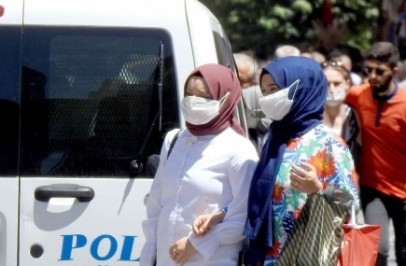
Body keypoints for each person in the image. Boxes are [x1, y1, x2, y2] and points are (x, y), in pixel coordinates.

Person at [193, 57, 358, 266]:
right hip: (267, 255)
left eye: (274, 89)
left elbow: (349, 201)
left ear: (302, 88)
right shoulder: (275, 137)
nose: (268, 97)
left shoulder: (329, 144)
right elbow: (261, 194)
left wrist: (318, 187)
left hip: (307, 254)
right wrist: (222, 214)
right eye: (264, 91)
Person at [140, 64, 259, 266]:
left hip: (213, 260)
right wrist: (149, 256)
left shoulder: (239, 149)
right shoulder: (174, 140)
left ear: (225, 100)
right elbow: (157, 204)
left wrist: (196, 244)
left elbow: (246, 215)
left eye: (204, 97)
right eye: (189, 94)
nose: (194, 102)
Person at [345, 42, 406, 266]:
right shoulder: (357, 95)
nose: (372, 76)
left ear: (395, 71)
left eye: (380, 71)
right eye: (369, 70)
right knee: (379, 250)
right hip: (372, 187)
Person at [321, 60, 353, 136]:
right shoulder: (310, 116)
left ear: (347, 84)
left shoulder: (353, 115)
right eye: (327, 84)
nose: (332, 90)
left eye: (337, 84)